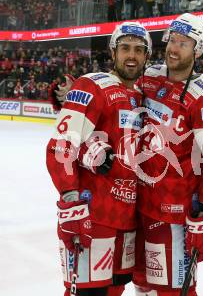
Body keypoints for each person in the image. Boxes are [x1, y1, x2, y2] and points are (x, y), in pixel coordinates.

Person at [46, 21, 152, 296]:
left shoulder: (143, 97)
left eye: (139, 50)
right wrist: (70, 202)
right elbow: (61, 145)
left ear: (147, 57)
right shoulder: (93, 85)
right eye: (125, 48)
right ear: (113, 51)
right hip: (93, 216)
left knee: (115, 290)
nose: (132, 55)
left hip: (126, 219)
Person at [133, 13, 203, 296]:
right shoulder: (149, 77)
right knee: (141, 283)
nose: (173, 48)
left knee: (174, 290)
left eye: (183, 43)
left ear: (198, 50)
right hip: (137, 204)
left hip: (173, 213)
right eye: (172, 40)